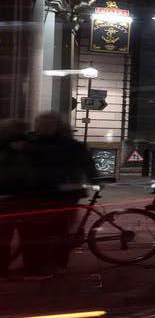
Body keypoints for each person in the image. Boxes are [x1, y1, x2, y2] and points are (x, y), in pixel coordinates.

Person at [18, 113, 93, 278]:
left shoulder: (69, 145)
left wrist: (93, 180)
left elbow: (84, 164)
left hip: (63, 194)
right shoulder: (32, 142)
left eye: (45, 125)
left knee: (57, 230)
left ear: (57, 126)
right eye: (38, 124)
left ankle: (56, 264)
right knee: (35, 232)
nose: (40, 128)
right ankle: (35, 265)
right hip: (37, 192)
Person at [0, 119, 28, 274]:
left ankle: (3, 267)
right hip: (16, 196)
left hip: (11, 196)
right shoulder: (22, 147)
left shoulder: (14, 148)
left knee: (5, 235)